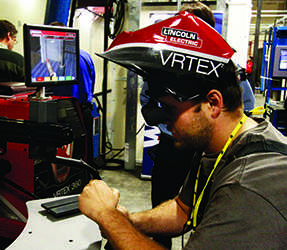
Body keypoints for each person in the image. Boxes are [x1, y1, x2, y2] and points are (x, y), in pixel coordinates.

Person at [79, 12, 287, 249]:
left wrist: (108, 216)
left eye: (170, 109)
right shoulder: (216, 146)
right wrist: (129, 221)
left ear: (213, 104)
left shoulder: (246, 187)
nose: (165, 120)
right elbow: (182, 210)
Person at [140, 2, 255, 248]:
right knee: (166, 201)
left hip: (206, 146)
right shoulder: (162, 70)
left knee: (208, 211)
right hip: (172, 146)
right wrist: (174, 116)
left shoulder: (227, 66)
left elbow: (244, 106)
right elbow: (148, 109)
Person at [47, 21, 96, 166]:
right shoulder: (85, 56)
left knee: (66, 157)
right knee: (84, 153)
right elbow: (92, 83)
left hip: (66, 112)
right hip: (84, 110)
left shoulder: (56, 60)